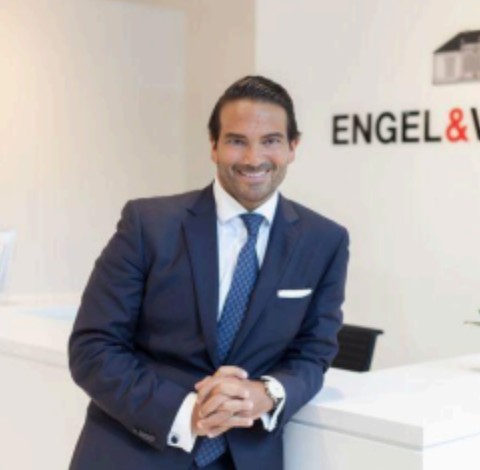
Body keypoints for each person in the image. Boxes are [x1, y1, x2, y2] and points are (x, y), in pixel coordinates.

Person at [68, 76, 350, 470]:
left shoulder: (324, 240)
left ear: (293, 147)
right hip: (136, 453)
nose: (253, 158)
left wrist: (267, 393)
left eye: (270, 140)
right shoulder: (148, 224)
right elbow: (93, 348)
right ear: (213, 146)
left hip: (246, 456)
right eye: (237, 141)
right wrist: (188, 412)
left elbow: (314, 354)